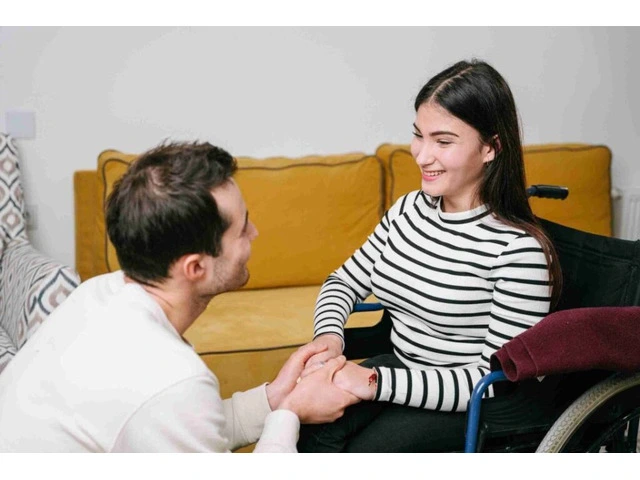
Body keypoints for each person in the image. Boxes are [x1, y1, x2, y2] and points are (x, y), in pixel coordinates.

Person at [0, 141, 358, 452]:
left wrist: (275, 397)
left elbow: (182, 426)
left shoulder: (96, 295)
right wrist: (291, 413)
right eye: (242, 228)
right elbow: (172, 404)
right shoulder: (173, 380)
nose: (255, 232)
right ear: (195, 267)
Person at [297, 59, 562, 452]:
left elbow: (496, 380)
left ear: (491, 147)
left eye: (443, 141)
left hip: (464, 404)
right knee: (304, 425)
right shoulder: (408, 210)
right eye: (418, 136)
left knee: (360, 454)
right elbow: (343, 282)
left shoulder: (518, 251)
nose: (421, 156)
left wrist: (373, 382)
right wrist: (329, 339)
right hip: (397, 372)